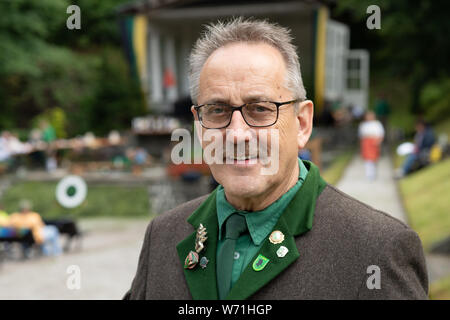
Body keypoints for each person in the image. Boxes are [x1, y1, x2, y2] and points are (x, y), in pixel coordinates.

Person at [125, 18, 427, 300]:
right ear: (198, 124)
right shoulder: (162, 236)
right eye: (217, 110)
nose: (237, 134)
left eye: (260, 109)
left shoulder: (376, 248)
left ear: (302, 123)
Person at [358, 111, 385, 180]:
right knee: (367, 159)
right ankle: (369, 174)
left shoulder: (377, 124)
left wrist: (378, 141)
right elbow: (361, 135)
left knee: (374, 159)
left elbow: (381, 134)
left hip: (374, 142)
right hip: (366, 142)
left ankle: (373, 173)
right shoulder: (363, 124)